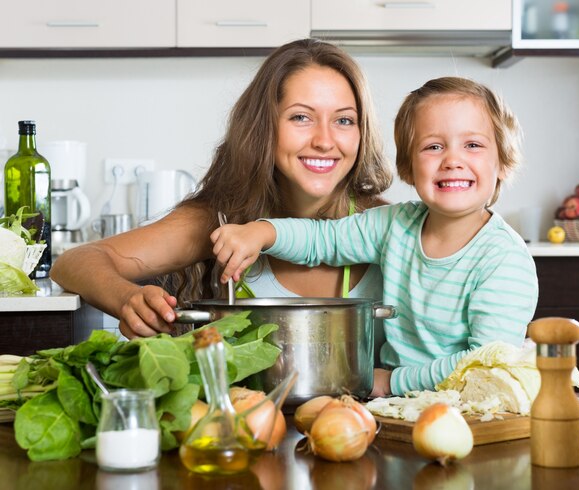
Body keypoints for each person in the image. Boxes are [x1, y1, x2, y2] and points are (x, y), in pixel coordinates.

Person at [211, 76, 539, 397]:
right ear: (409, 168)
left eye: (473, 145)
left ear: (503, 163)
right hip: (397, 409)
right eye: (433, 146)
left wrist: (392, 382)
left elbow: (484, 365)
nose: (452, 160)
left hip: (470, 412)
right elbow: (322, 240)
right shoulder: (395, 225)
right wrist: (263, 232)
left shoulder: (503, 259)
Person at [50, 38, 393, 340]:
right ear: (264, 128)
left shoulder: (391, 228)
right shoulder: (221, 220)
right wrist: (127, 299)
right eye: (301, 117)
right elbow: (73, 262)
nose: (324, 140)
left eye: (344, 120)